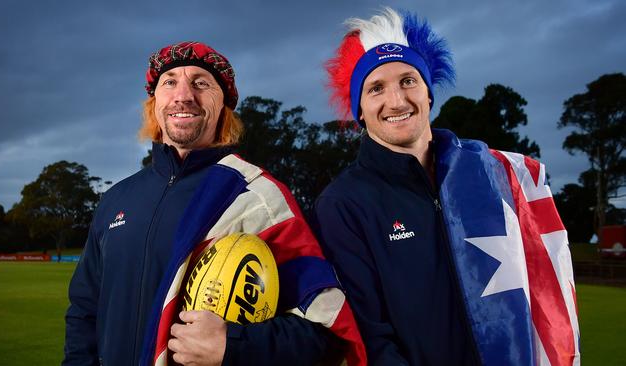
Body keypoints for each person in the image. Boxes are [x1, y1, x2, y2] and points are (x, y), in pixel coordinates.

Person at [63, 41, 365, 366]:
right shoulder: (116, 201)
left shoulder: (256, 196)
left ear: (223, 106)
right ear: (154, 103)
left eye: (201, 83)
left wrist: (232, 347)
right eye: (170, 82)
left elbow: (325, 334)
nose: (183, 95)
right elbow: (84, 311)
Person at [313, 8, 580, 365]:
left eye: (408, 81)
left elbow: (546, 287)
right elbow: (370, 339)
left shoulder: (493, 174)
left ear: (428, 93)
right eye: (376, 88)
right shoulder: (342, 203)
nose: (396, 101)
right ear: (359, 109)